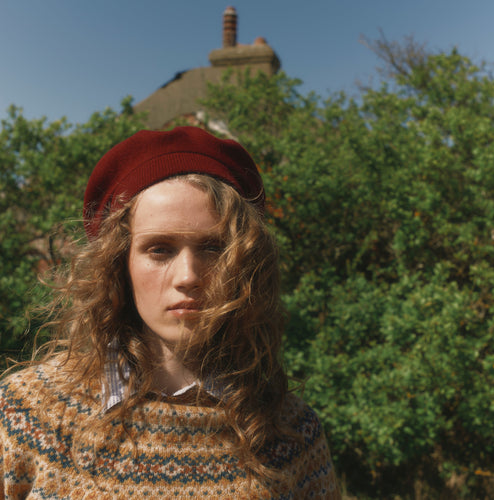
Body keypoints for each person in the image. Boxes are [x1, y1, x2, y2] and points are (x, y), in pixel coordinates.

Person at [0, 127, 341, 499]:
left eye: (213, 248)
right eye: (160, 249)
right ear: (119, 263)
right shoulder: (24, 413)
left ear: (246, 263)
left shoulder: (293, 433)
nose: (188, 276)